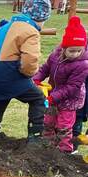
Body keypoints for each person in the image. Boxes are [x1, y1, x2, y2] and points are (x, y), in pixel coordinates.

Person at [0, 0, 51, 149]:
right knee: (38, 98)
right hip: (11, 74)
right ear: (40, 18)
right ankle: (35, 138)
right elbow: (30, 60)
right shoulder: (31, 31)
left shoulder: (4, 28)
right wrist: (28, 73)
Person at [33, 16, 88, 153]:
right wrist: (36, 79)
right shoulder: (55, 56)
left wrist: (53, 97)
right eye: (71, 50)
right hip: (53, 98)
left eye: (78, 51)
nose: (75, 54)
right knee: (48, 122)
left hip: (69, 101)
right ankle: (47, 147)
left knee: (64, 126)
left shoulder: (82, 65)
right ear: (63, 48)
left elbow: (72, 88)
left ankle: (65, 152)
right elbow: (45, 68)